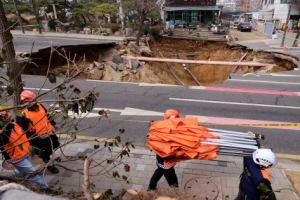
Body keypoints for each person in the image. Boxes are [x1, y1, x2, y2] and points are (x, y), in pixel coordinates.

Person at [0, 111, 48, 189]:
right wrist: (7, 127)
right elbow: (2, 141)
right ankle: (44, 188)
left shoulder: (15, 125)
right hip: (16, 158)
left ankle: (17, 173)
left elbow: (25, 134)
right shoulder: (2, 132)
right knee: (32, 174)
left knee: (25, 169)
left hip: (26, 153)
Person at [17, 90, 60, 174]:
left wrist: (53, 123)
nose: (35, 101)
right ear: (27, 101)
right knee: (45, 152)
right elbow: (23, 130)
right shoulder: (23, 114)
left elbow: (47, 115)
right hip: (38, 137)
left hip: (49, 132)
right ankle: (50, 166)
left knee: (56, 144)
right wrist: (33, 139)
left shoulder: (40, 106)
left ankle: (43, 155)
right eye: (33, 100)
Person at [148, 109, 180, 191]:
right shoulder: (172, 133)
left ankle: (151, 187)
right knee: (174, 184)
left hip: (161, 160)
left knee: (159, 171)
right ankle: (175, 195)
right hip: (167, 163)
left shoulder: (160, 129)